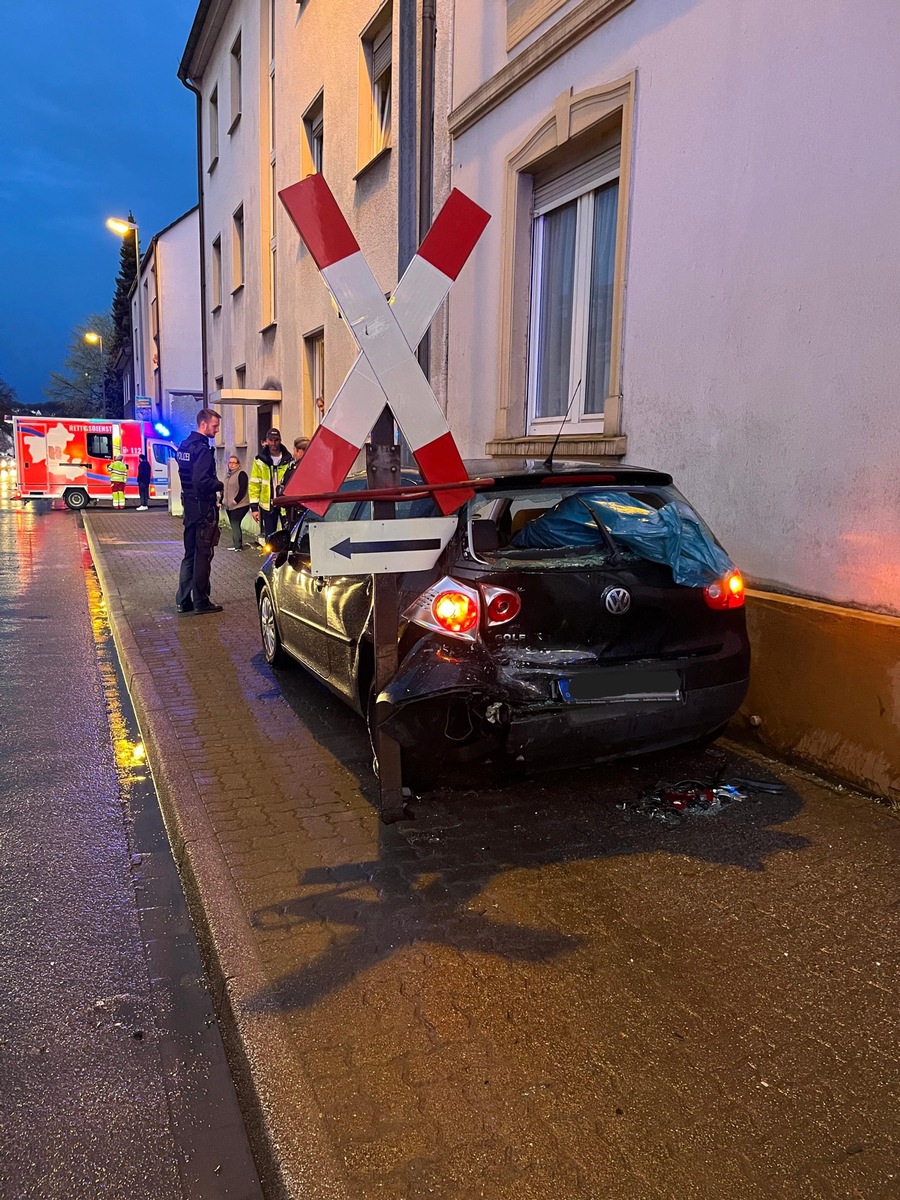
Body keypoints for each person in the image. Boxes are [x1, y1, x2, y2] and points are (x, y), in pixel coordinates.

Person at [175, 408, 224, 615]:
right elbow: (201, 480)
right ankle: (201, 601)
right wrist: (218, 484)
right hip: (203, 507)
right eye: (214, 426)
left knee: (190, 554)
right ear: (203, 424)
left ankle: (183, 601)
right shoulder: (202, 449)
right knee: (203, 554)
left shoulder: (184, 446)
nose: (216, 430)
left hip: (189, 507)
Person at [248, 428, 291, 546]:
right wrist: (254, 508)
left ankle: (284, 557)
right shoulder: (260, 460)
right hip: (267, 505)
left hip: (284, 504)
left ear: (280, 440)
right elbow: (254, 484)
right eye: (271, 440)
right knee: (270, 537)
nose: (273, 443)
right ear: (267, 441)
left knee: (287, 534)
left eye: (276, 440)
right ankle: (271, 558)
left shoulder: (288, 459)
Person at [276, 437, 310, 528]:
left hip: (296, 514)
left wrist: (278, 488)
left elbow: (283, 492)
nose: (294, 454)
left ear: (300, 452)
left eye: (295, 451)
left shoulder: (295, 470)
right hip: (311, 515)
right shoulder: (316, 469)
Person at [222, 454, 250, 550]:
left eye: (234, 463)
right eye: (230, 463)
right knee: (233, 524)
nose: (231, 465)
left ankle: (237, 545)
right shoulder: (228, 475)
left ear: (238, 464)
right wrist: (221, 500)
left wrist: (236, 500)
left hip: (240, 504)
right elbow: (224, 489)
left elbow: (243, 489)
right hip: (229, 505)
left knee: (235, 523)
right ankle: (236, 543)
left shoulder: (241, 474)